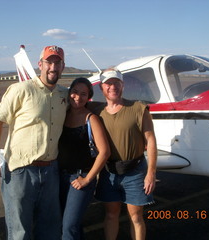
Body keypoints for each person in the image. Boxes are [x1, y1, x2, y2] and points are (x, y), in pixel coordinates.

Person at [0, 45, 68, 240]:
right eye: (49, 62)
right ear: (40, 64)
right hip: (20, 172)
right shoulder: (20, 90)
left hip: (51, 171)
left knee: (49, 230)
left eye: (57, 63)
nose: (53, 67)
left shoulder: (65, 95)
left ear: (63, 66)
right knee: (19, 231)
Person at [92, 69, 157, 240]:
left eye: (116, 83)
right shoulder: (97, 113)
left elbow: (150, 141)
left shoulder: (138, 108)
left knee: (136, 217)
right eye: (108, 84)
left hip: (134, 171)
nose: (113, 87)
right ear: (101, 87)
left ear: (122, 85)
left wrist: (151, 173)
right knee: (111, 215)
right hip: (108, 172)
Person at [57, 77, 110, 240]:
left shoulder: (91, 119)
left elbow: (104, 152)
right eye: (74, 92)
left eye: (83, 94)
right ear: (69, 92)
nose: (78, 97)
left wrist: (87, 179)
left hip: (80, 178)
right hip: (60, 177)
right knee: (71, 225)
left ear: (89, 97)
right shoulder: (62, 115)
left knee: (69, 226)